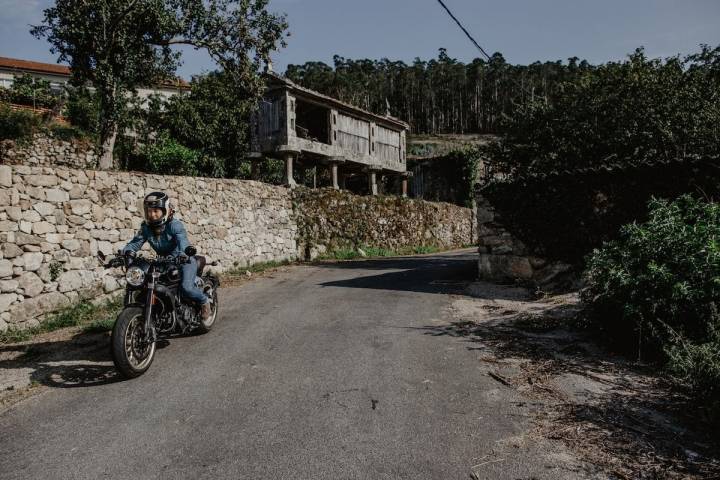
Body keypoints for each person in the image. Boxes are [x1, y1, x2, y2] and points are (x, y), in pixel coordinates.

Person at [122, 192, 211, 320]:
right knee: (145, 285)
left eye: (156, 211)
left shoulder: (174, 225)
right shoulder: (146, 228)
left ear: (165, 210)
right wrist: (125, 253)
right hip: (163, 263)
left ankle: (204, 301)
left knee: (186, 287)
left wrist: (183, 254)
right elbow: (135, 244)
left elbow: (183, 242)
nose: (152, 215)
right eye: (149, 211)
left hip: (184, 261)